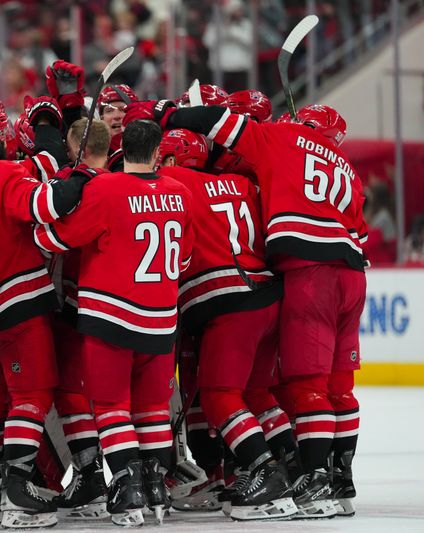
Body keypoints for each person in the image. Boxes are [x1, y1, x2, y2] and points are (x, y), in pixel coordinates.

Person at [155, 100, 366, 518]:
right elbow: (359, 230)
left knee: (300, 387)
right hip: (350, 276)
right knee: (338, 388)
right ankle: (340, 478)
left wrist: (167, 113)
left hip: (307, 275)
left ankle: (312, 478)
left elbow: (216, 121)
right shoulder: (347, 167)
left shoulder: (279, 139)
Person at [34, 120, 194, 526]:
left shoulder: (106, 188)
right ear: (158, 151)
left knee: (111, 407)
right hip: (161, 319)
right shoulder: (180, 192)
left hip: (111, 316)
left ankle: (126, 488)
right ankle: (156, 487)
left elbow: (55, 240)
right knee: (154, 408)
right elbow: (186, 260)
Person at [0, 95, 92, 529]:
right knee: (30, 396)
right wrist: (83, 177)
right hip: (16, 306)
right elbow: (47, 205)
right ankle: (17, 490)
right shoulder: (4, 175)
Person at [159, 128, 298, 520]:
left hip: (228, 300)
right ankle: (294, 467)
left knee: (220, 396)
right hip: (267, 294)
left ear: (170, 161)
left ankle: (266, 473)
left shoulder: (173, 181)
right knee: (255, 391)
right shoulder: (240, 183)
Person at [48, 117, 113, 520]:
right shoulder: (127, 180)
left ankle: (90, 472)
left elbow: (52, 236)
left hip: (79, 300)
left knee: (71, 389)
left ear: (75, 147)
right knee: (125, 399)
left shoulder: (71, 182)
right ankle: (144, 479)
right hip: (134, 305)